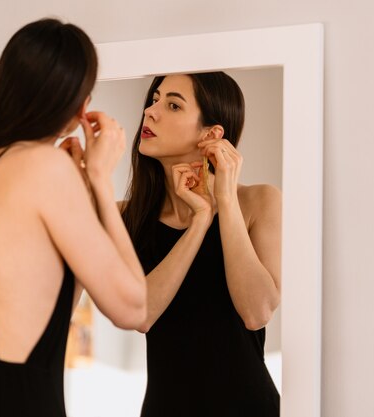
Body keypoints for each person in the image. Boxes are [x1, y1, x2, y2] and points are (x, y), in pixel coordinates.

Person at [0, 18, 146, 417]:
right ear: (78, 105)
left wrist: (83, 197)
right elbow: (133, 309)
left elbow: (40, 314)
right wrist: (100, 181)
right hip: (16, 402)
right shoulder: (45, 169)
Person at [121, 73, 281, 416]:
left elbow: (257, 313)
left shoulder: (260, 201)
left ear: (211, 135)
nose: (151, 112)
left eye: (173, 104)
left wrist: (225, 199)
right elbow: (142, 314)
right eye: (154, 99)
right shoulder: (126, 216)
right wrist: (199, 222)